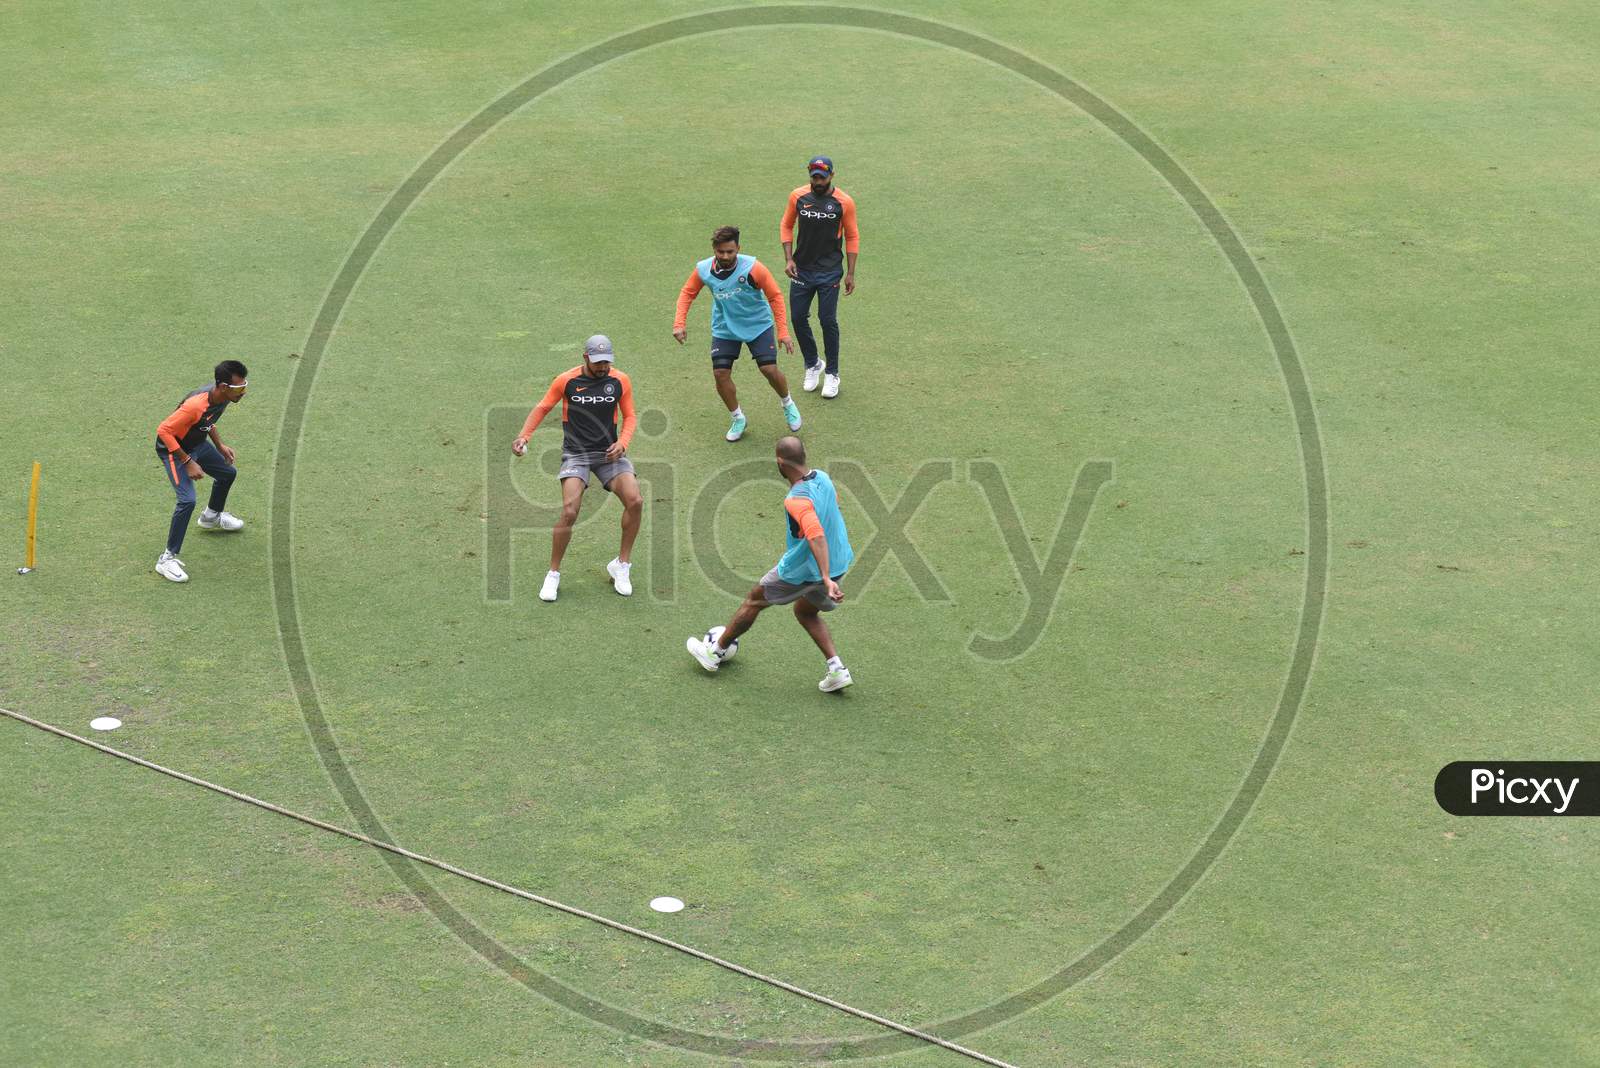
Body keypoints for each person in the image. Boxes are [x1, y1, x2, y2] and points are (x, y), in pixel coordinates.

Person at [686, 436, 855, 692]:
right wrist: (829, 575)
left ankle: (714, 652)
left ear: (779, 461)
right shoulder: (823, 477)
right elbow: (833, 508)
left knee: (754, 599)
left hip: (804, 570)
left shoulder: (796, 499)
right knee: (805, 611)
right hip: (839, 563)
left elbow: (815, 533)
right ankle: (837, 669)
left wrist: (823, 577)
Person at [512, 335, 643, 602]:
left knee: (635, 501)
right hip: (576, 454)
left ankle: (622, 565)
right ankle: (553, 574)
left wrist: (623, 442)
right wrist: (525, 436)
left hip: (609, 453)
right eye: (598, 363)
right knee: (570, 511)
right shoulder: (567, 380)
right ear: (585, 358)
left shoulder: (620, 380)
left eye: (607, 362)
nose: (603, 368)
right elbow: (543, 407)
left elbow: (629, 415)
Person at [673, 225, 802, 442]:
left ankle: (787, 402)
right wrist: (679, 323)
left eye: (730, 252)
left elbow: (775, 297)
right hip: (725, 327)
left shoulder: (754, 268)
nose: (725, 256)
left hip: (757, 324)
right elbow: (688, 293)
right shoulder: (704, 269)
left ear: (738, 249)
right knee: (720, 374)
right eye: (721, 251)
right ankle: (738, 418)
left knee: (769, 369)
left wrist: (783, 332)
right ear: (714, 249)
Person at [153, 360, 250, 583]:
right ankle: (166, 559)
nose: (243, 393)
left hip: (196, 444)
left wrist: (219, 445)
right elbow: (164, 430)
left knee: (228, 473)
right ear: (224, 386)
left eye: (245, 386)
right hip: (174, 450)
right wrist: (187, 461)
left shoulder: (224, 397)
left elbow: (208, 422)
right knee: (187, 500)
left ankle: (211, 516)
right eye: (239, 388)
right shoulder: (195, 405)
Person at [781, 155, 859, 399]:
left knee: (827, 320)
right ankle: (813, 363)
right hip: (802, 269)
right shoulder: (798, 197)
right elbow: (786, 226)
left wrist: (851, 273)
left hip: (830, 271)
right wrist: (789, 259)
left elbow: (852, 236)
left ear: (831, 176)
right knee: (797, 318)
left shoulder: (843, 202)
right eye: (814, 177)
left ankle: (833, 373)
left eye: (822, 177)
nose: (817, 181)